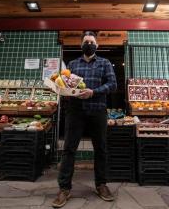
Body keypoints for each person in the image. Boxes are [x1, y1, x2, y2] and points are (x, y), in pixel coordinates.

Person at [52, 31, 117, 208]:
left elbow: (113, 85)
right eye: (86, 42)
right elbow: (65, 86)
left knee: (101, 149)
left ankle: (101, 185)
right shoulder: (72, 64)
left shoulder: (104, 63)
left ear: (97, 46)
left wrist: (93, 92)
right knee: (69, 150)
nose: (89, 44)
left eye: (92, 42)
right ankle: (64, 188)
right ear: (81, 45)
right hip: (76, 112)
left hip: (98, 111)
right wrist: (63, 90)